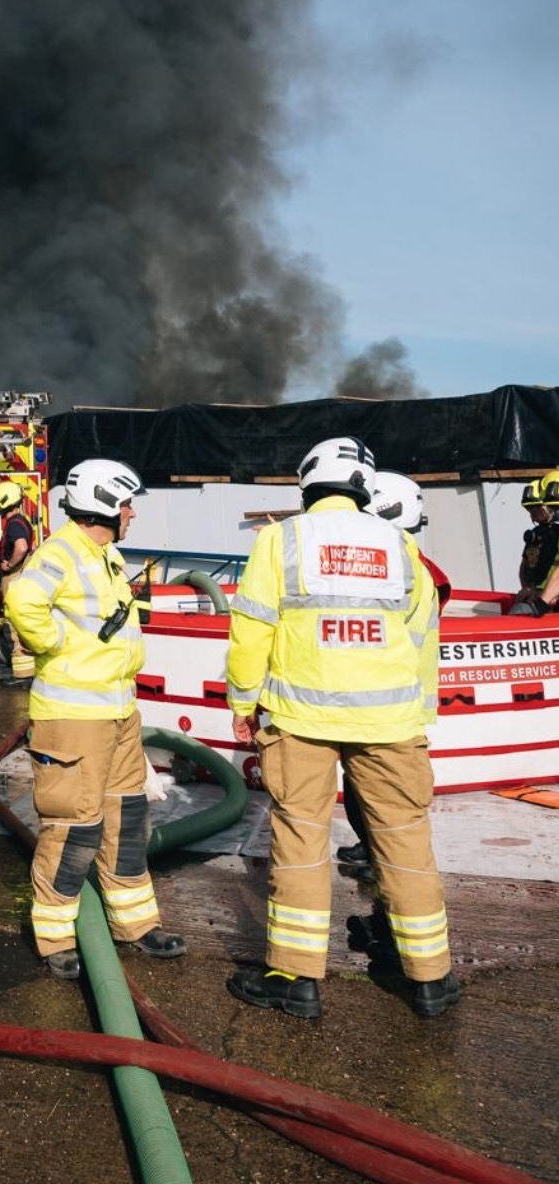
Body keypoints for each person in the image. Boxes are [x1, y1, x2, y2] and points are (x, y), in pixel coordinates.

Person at [224, 436, 458, 1021]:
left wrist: (243, 702)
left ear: (308, 482)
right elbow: (423, 638)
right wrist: (420, 716)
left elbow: (253, 628)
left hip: (301, 721)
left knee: (301, 842)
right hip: (392, 723)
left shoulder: (281, 540)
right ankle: (431, 979)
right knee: (405, 843)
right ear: (364, 486)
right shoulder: (403, 548)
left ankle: (296, 981)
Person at [4, 459, 186, 979]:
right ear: (105, 504)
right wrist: (55, 644)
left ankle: (135, 925)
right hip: (74, 717)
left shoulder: (105, 553)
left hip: (118, 711)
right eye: (127, 504)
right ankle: (57, 936)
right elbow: (22, 600)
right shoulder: (60, 552)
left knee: (127, 820)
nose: (132, 514)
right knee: (74, 828)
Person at [337, 471, 451, 884]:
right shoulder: (410, 565)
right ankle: (370, 846)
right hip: (385, 701)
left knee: (383, 794)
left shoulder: (405, 569)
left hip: (389, 705)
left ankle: (382, 859)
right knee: (362, 787)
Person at [0, 480, 35, 689]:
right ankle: (28, 672)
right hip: (24, 577)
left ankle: (22, 675)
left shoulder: (15, 524)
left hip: (15, 577)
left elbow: (22, 546)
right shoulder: (23, 521)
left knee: (14, 623)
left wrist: (9, 564)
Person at [509, 475, 559, 615]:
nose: (534, 512)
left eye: (537, 507)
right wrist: (529, 589)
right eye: (530, 509)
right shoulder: (536, 535)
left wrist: (541, 602)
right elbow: (526, 566)